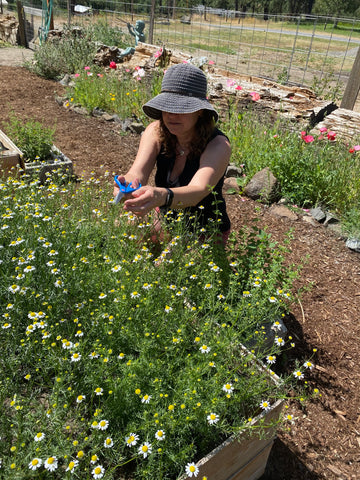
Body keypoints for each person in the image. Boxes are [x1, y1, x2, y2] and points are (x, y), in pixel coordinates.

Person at [114, 62, 232, 245]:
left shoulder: (218, 145)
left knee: (162, 270)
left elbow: (197, 192)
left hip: (203, 228)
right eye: (167, 107)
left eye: (181, 109)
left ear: (200, 111)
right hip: (166, 218)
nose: (171, 115)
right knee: (120, 234)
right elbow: (138, 172)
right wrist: (127, 185)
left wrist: (162, 196)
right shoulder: (155, 131)